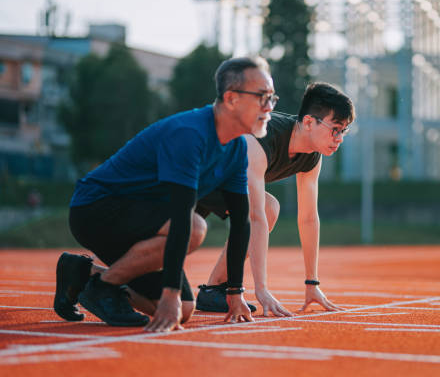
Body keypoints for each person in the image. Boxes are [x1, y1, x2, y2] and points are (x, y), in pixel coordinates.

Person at [53, 56, 277, 332]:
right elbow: (181, 214)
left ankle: (83, 274)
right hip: (97, 209)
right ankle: (104, 287)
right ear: (231, 98)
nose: (269, 108)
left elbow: (241, 221)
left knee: (183, 310)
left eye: (272, 98)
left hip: (147, 223)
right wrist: (169, 292)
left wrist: (234, 292)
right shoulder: (189, 134)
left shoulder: (236, 149)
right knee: (196, 227)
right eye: (262, 97)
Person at [196, 82, 355, 316]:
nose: (340, 138)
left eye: (344, 131)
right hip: (193, 174)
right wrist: (261, 290)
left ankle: (214, 290)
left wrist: (312, 283)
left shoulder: (312, 157)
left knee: (270, 207)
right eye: (336, 129)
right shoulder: (261, 136)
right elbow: (254, 215)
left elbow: (309, 218)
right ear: (310, 122)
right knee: (159, 243)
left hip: (220, 185)